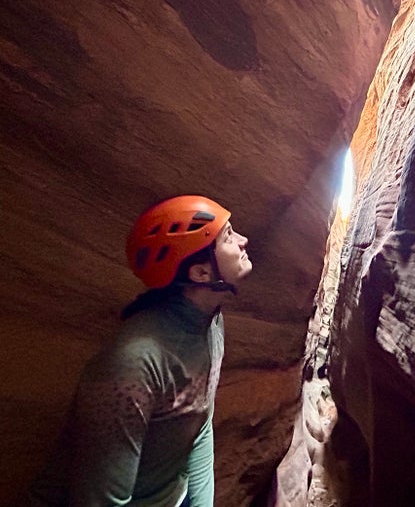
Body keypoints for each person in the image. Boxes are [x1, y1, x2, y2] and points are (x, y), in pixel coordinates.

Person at [29, 195, 253, 507]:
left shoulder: (210, 323)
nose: (243, 241)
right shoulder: (133, 366)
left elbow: (199, 422)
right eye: (228, 236)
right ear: (201, 274)